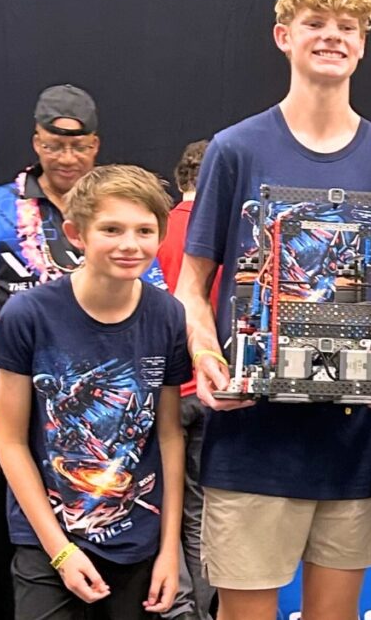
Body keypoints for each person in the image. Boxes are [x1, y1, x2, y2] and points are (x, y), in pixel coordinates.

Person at [174, 0, 371, 620]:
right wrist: (206, 356)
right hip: (253, 442)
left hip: (351, 444)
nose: (332, 36)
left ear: (363, 44)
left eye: (347, 26)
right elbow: (191, 284)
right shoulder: (235, 150)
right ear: (283, 35)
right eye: (315, 23)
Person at [0, 165, 192, 618]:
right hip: (48, 542)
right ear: (75, 234)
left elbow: (168, 436)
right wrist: (60, 552)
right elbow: (10, 440)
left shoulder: (168, 316)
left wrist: (169, 551)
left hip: (138, 543)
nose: (129, 244)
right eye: (111, 229)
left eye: (144, 230)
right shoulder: (27, 315)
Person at [0, 84, 166, 430]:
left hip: (104, 394)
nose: (67, 159)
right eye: (54, 146)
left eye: (79, 147)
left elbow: (151, 292)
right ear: (37, 143)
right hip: (17, 385)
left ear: (95, 145)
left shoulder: (121, 211)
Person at [156, 139, 216, 620]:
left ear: (180, 181)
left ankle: (176, 610)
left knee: (161, 506)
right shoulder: (232, 234)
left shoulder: (152, 232)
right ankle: (207, 610)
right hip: (217, 388)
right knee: (202, 513)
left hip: (163, 389)